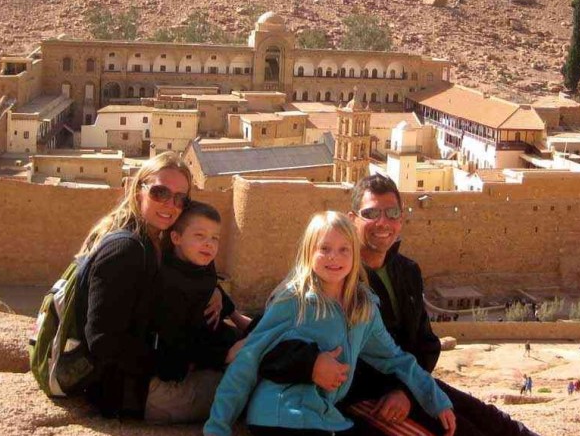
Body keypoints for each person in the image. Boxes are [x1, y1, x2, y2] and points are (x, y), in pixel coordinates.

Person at [256, 175, 536, 436]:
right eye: (371, 213)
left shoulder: (407, 272)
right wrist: (311, 364)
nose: (383, 222)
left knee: (498, 424)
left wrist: (407, 390)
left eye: (392, 213)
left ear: (401, 219)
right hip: (364, 397)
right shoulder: (334, 276)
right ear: (352, 219)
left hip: (409, 385)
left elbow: (425, 344)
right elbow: (266, 341)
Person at [203, 211, 456, 436]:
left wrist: (437, 400)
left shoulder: (363, 306)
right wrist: (218, 426)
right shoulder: (295, 300)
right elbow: (248, 358)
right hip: (281, 413)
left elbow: (395, 358)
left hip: (324, 416)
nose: (334, 258)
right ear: (309, 253)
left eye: (343, 249)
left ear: (354, 254)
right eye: (324, 249)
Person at [75, 152, 219, 420]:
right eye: (160, 192)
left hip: (138, 378)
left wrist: (215, 290)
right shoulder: (126, 250)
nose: (170, 204)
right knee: (241, 389)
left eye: (180, 198)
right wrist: (166, 366)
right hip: (127, 390)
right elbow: (103, 340)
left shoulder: (152, 239)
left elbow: (191, 262)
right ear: (138, 189)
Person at [149, 200, 252, 423]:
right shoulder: (169, 286)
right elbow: (174, 350)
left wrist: (236, 317)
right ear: (176, 238)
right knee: (252, 381)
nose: (209, 244)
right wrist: (225, 355)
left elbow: (207, 286)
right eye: (200, 236)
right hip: (185, 366)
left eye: (215, 238)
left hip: (212, 339)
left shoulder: (200, 263)